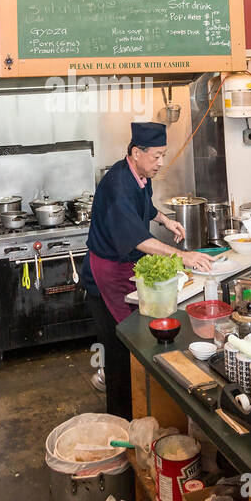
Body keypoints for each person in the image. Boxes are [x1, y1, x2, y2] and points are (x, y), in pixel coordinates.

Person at [80, 122, 215, 418]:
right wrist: (183, 256)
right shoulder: (117, 185)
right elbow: (138, 239)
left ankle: (144, 405)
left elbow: (144, 206)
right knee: (122, 345)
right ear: (136, 152)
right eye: (156, 156)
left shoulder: (139, 175)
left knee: (134, 339)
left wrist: (165, 220)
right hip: (106, 274)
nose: (161, 163)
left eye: (163, 155)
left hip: (125, 267)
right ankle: (123, 418)